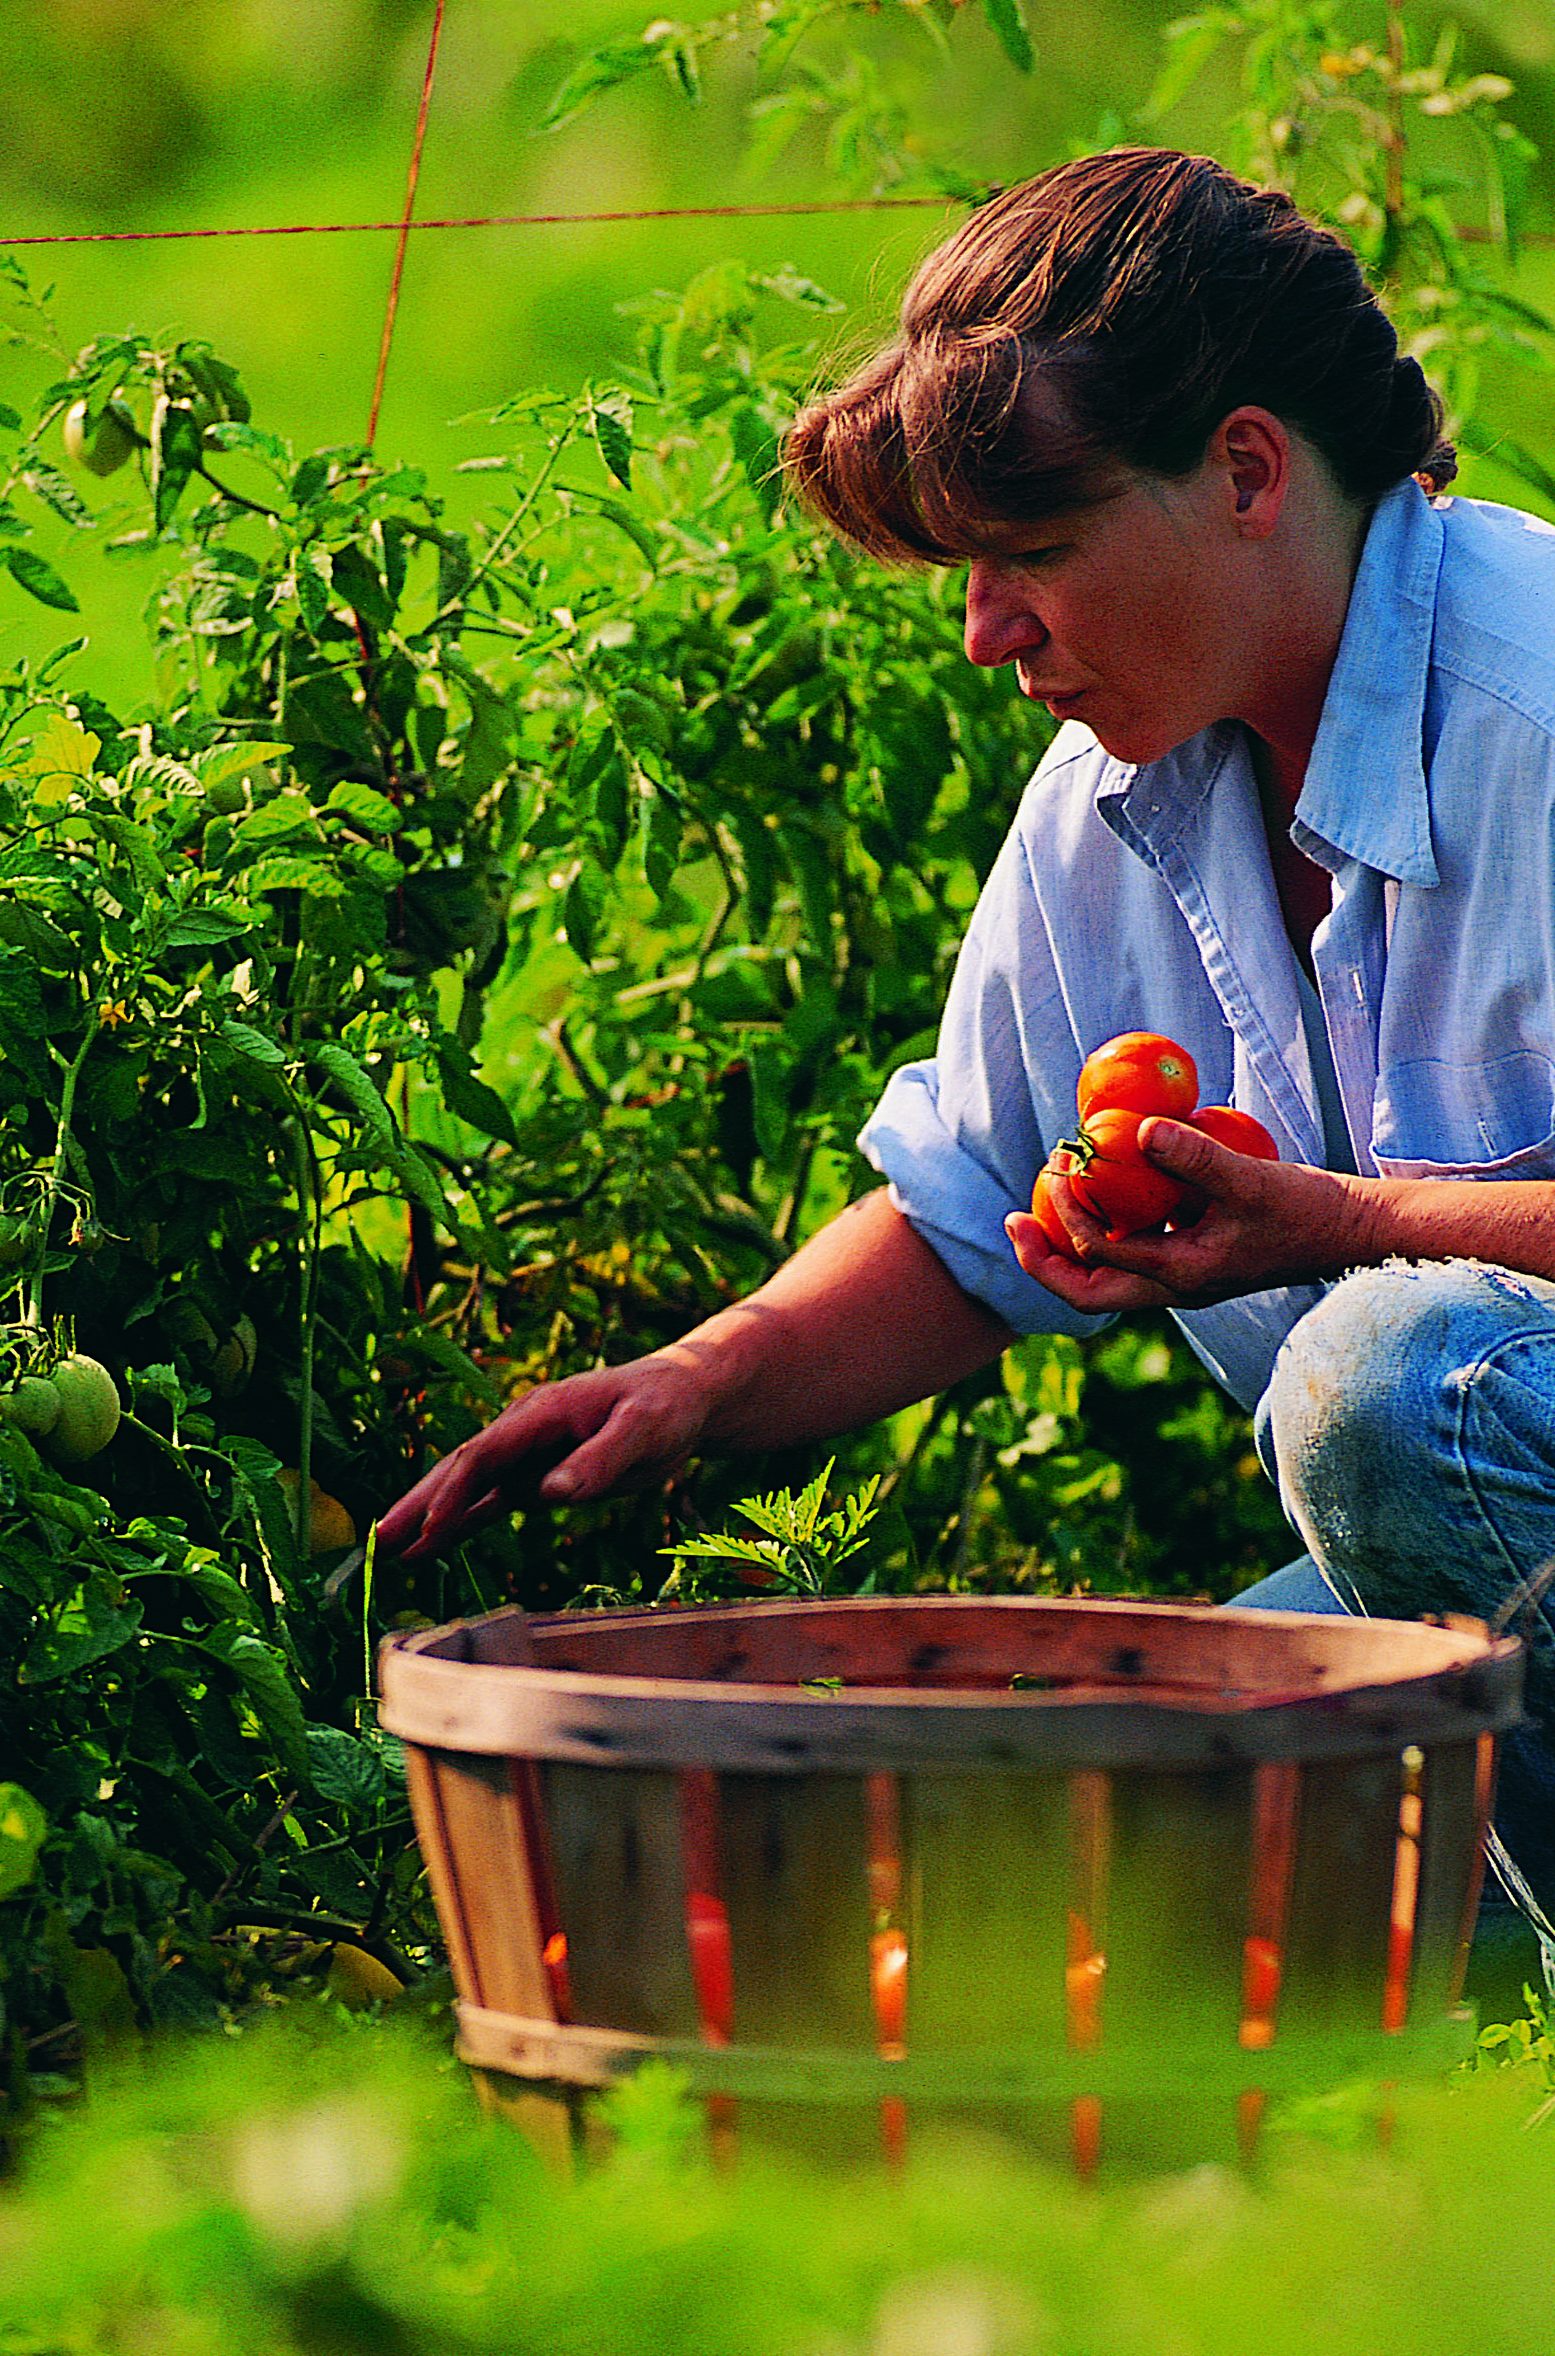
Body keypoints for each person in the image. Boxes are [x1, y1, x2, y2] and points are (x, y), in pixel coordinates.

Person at [377, 147, 1555, 1925]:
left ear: (1246, 469)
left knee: (1394, 1383)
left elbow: (1405, 1366)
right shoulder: (1120, 799)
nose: (990, 631)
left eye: (1036, 553)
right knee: (1116, 1860)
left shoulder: (1534, 710)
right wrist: (695, 1386)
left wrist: (1349, 1227)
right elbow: (964, 1208)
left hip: (1447, 1461)